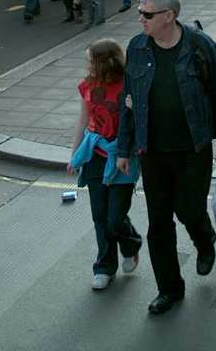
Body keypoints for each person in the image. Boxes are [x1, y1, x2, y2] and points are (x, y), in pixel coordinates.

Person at [115, 0, 216, 315]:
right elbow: (128, 103)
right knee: (158, 223)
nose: (140, 19)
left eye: (147, 14)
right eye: (140, 12)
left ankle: (204, 239)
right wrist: (123, 149)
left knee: (188, 208)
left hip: (192, 149)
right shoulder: (137, 48)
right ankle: (169, 289)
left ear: (169, 16)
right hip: (152, 151)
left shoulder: (201, 47)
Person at [67, 39, 142, 290]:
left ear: (104, 63)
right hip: (95, 156)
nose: (86, 65)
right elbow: (83, 121)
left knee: (115, 217)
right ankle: (104, 267)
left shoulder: (129, 85)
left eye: (90, 61)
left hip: (123, 157)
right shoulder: (86, 86)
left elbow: (143, 121)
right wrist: (74, 154)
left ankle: (131, 245)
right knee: (100, 216)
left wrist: (136, 108)